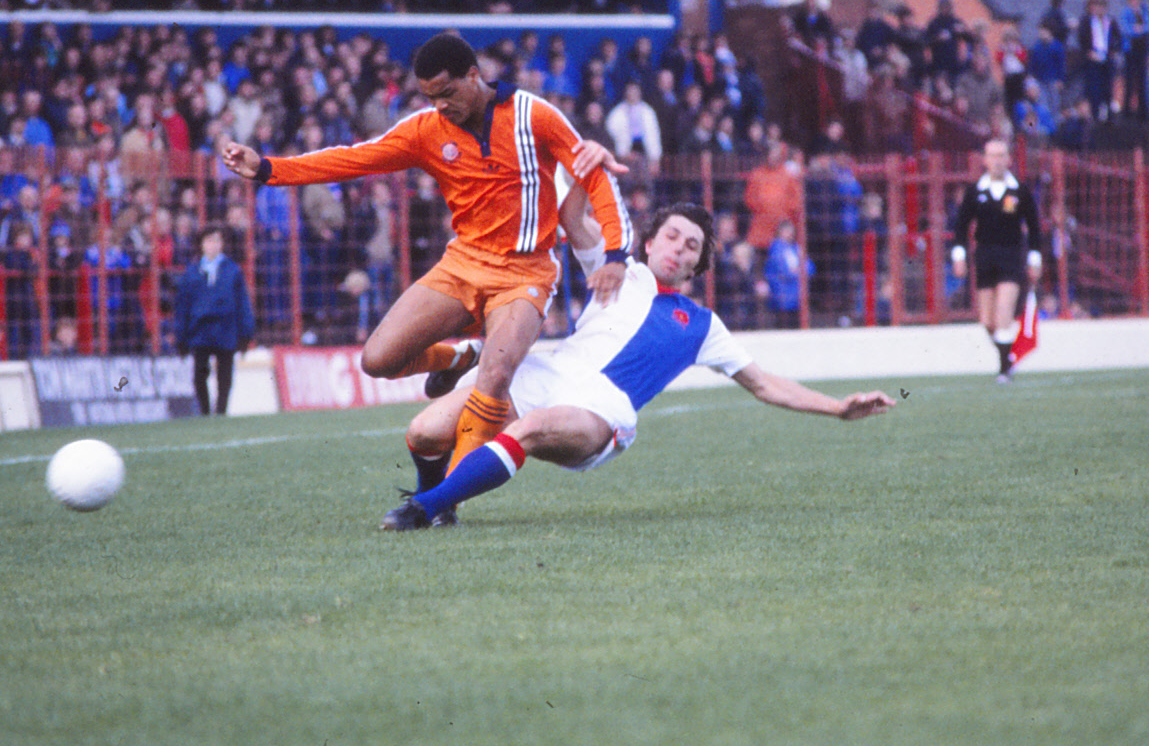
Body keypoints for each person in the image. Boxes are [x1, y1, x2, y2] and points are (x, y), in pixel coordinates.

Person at [220, 32, 632, 478]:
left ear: (474, 75)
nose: (439, 105)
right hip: (463, 264)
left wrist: (615, 252)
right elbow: (355, 159)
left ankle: (443, 497)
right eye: (430, 96)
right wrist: (268, 169)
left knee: (494, 379)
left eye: (447, 93)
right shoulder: (425, 130)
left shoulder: (533, 115)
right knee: (378, 360)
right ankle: (457, 357)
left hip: (524, 272)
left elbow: (594, 174)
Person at [380, 200, 896, 530]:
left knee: (532, 430)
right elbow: (573, 215)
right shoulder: (615, 272)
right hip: (546, 373)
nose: (679, 247)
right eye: (672, 236)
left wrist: (837, 408)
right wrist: (586, 166)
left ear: (699, 264)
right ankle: (440, 503)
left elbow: (763, 384)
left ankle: (422, 509)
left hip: (601, 408)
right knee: (423, 432)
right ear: (650, 242)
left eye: (692, 245)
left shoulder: (701, 324)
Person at [949, 137, 1044, 382]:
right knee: (987, 321)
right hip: (984, 256)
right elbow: (961, 228)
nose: (997, 161)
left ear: (1009, 159)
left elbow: (1034, 228)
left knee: (1004, 312)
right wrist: (958, 257)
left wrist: (1034, 260)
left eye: (1002, 155)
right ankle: (1008, 357)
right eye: (992, 156)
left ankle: (1004, 371)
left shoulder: (1020, 191)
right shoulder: (975, 191)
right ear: (985, 160)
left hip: (1012, 256)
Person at [173, 224, 255, 415]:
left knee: (225, 375)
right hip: (200, 330)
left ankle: (221, 411)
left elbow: (243, 303)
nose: (213, 245)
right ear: (201, 244)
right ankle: (204, 411)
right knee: (200, 374)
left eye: (217, 240)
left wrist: (246, 333)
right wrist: (181, 336)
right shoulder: (192, 273)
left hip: (225, 329)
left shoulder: (232, 271)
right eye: (209, 240)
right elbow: (182, 306)